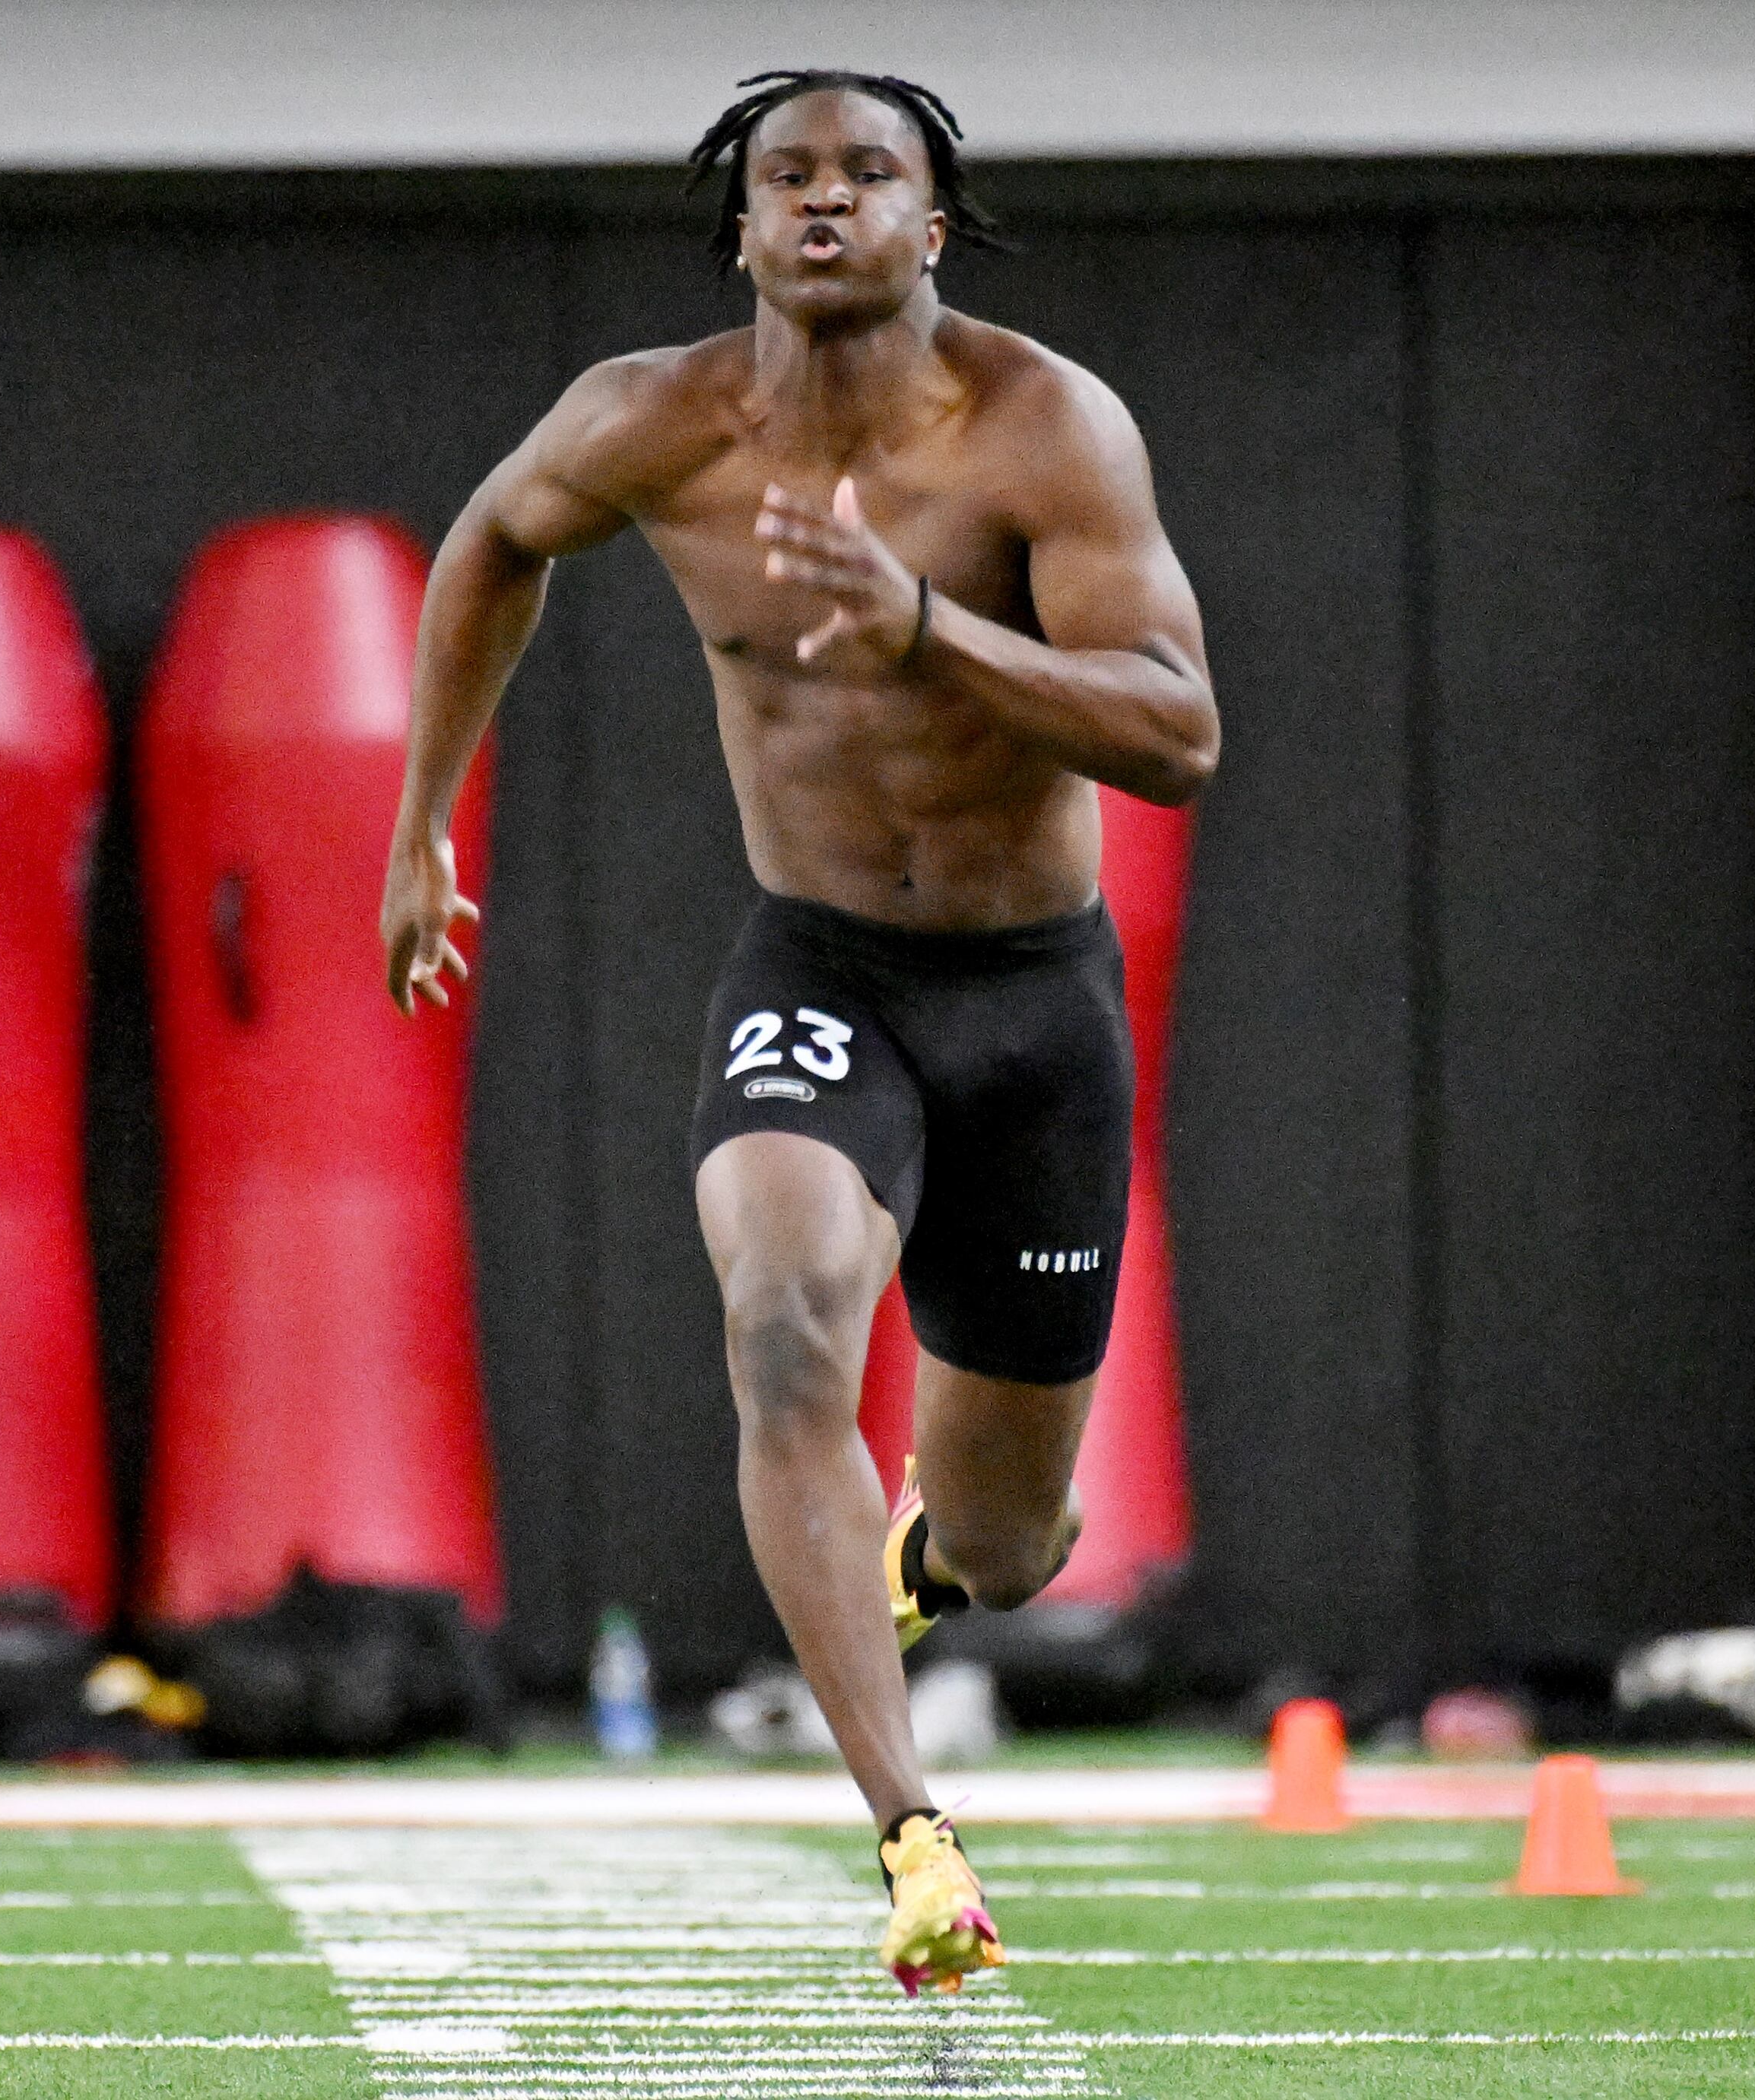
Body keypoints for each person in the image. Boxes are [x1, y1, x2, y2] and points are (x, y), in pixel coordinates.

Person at [381, 68, 1216, 1993]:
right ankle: (916, 1830)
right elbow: (492, 544)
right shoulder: (651, 421)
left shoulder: (1044, 429)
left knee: (1013, 1549)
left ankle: (926, 1563)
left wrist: (930, 629)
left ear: (936, 223)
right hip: (822, 968)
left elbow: (1179, 733)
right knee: (780, 1332)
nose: (824, 202)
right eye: (788, 177)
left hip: (1031, 998)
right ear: (742, 229)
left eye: (869, 175)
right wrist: (423, 815)